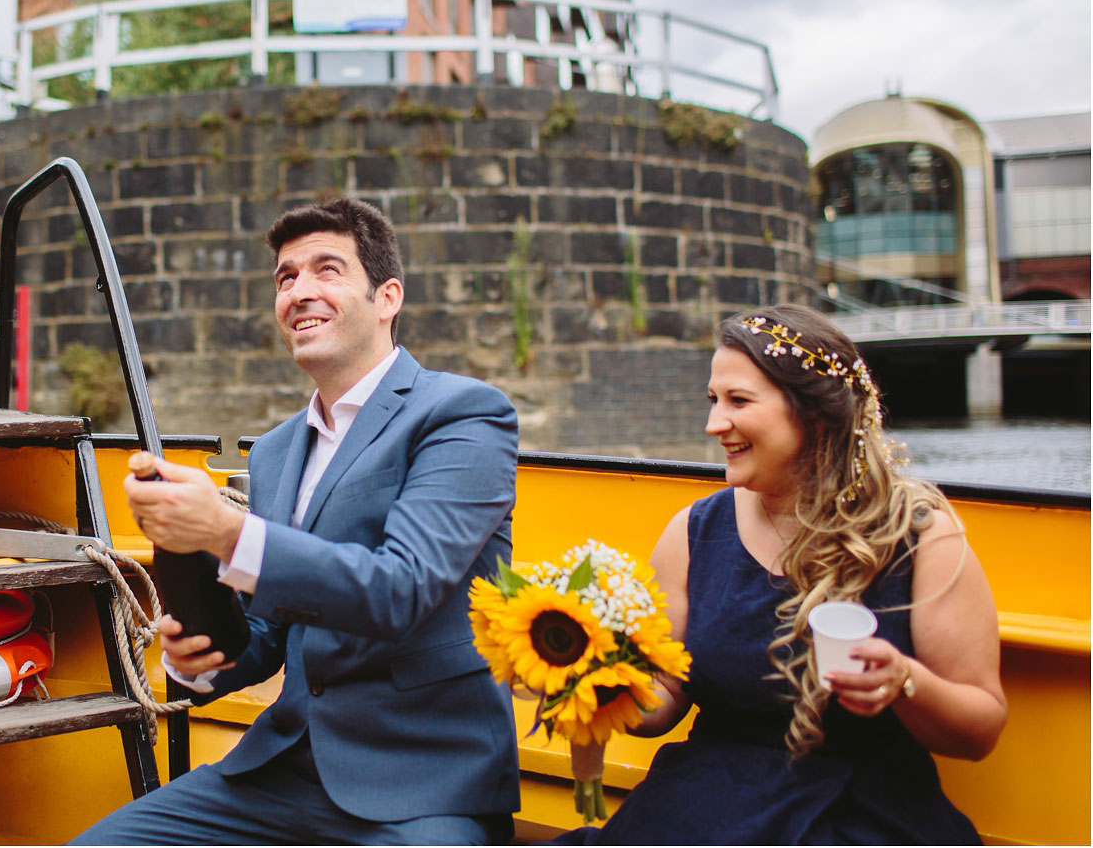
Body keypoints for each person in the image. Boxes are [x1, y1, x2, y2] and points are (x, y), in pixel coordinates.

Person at [73, 196, 521, 845]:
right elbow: (266, 632)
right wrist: (199, 659)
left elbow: (402, 589)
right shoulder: (279, 449)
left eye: (327, 270)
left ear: (387, 297)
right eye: (286, 278)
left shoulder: (465, 415)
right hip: (276, 775)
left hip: (423, 785)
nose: (300, 291)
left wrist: (225, 532)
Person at [567, 304, 1006, 845]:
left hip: (863, 813)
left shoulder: (921, 534)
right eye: (713, 400)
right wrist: (586, 679)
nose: (713, 424)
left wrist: (905, 682)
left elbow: (981, 727)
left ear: (813, 412)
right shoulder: (693, 533)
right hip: (707, 807)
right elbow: (663, 698)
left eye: (738, 401)